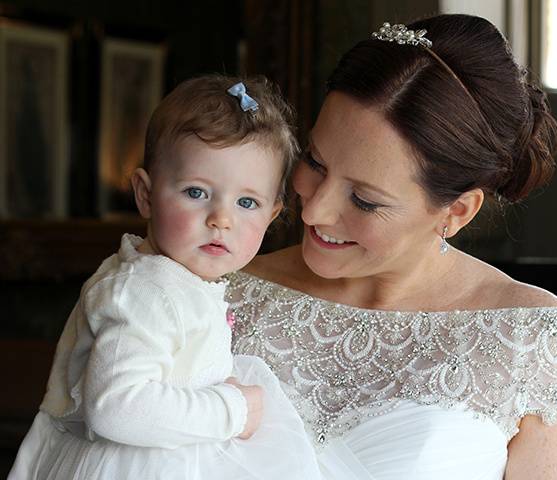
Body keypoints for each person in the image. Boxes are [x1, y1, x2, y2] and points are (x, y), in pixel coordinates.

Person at [227, 15, 557, 479]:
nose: (314, 211)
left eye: (364, 200)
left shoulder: (530, 341)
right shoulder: (223, 294)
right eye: (315, 162)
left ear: (457, 212)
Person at [9, 75, 322, 480]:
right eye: (196, 192)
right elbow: (118, 406)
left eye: (247, 202)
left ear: (272, 216)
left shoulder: (179, 279)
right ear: (145, 194)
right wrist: (232, 410)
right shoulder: (145, 291)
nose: (221, 219)